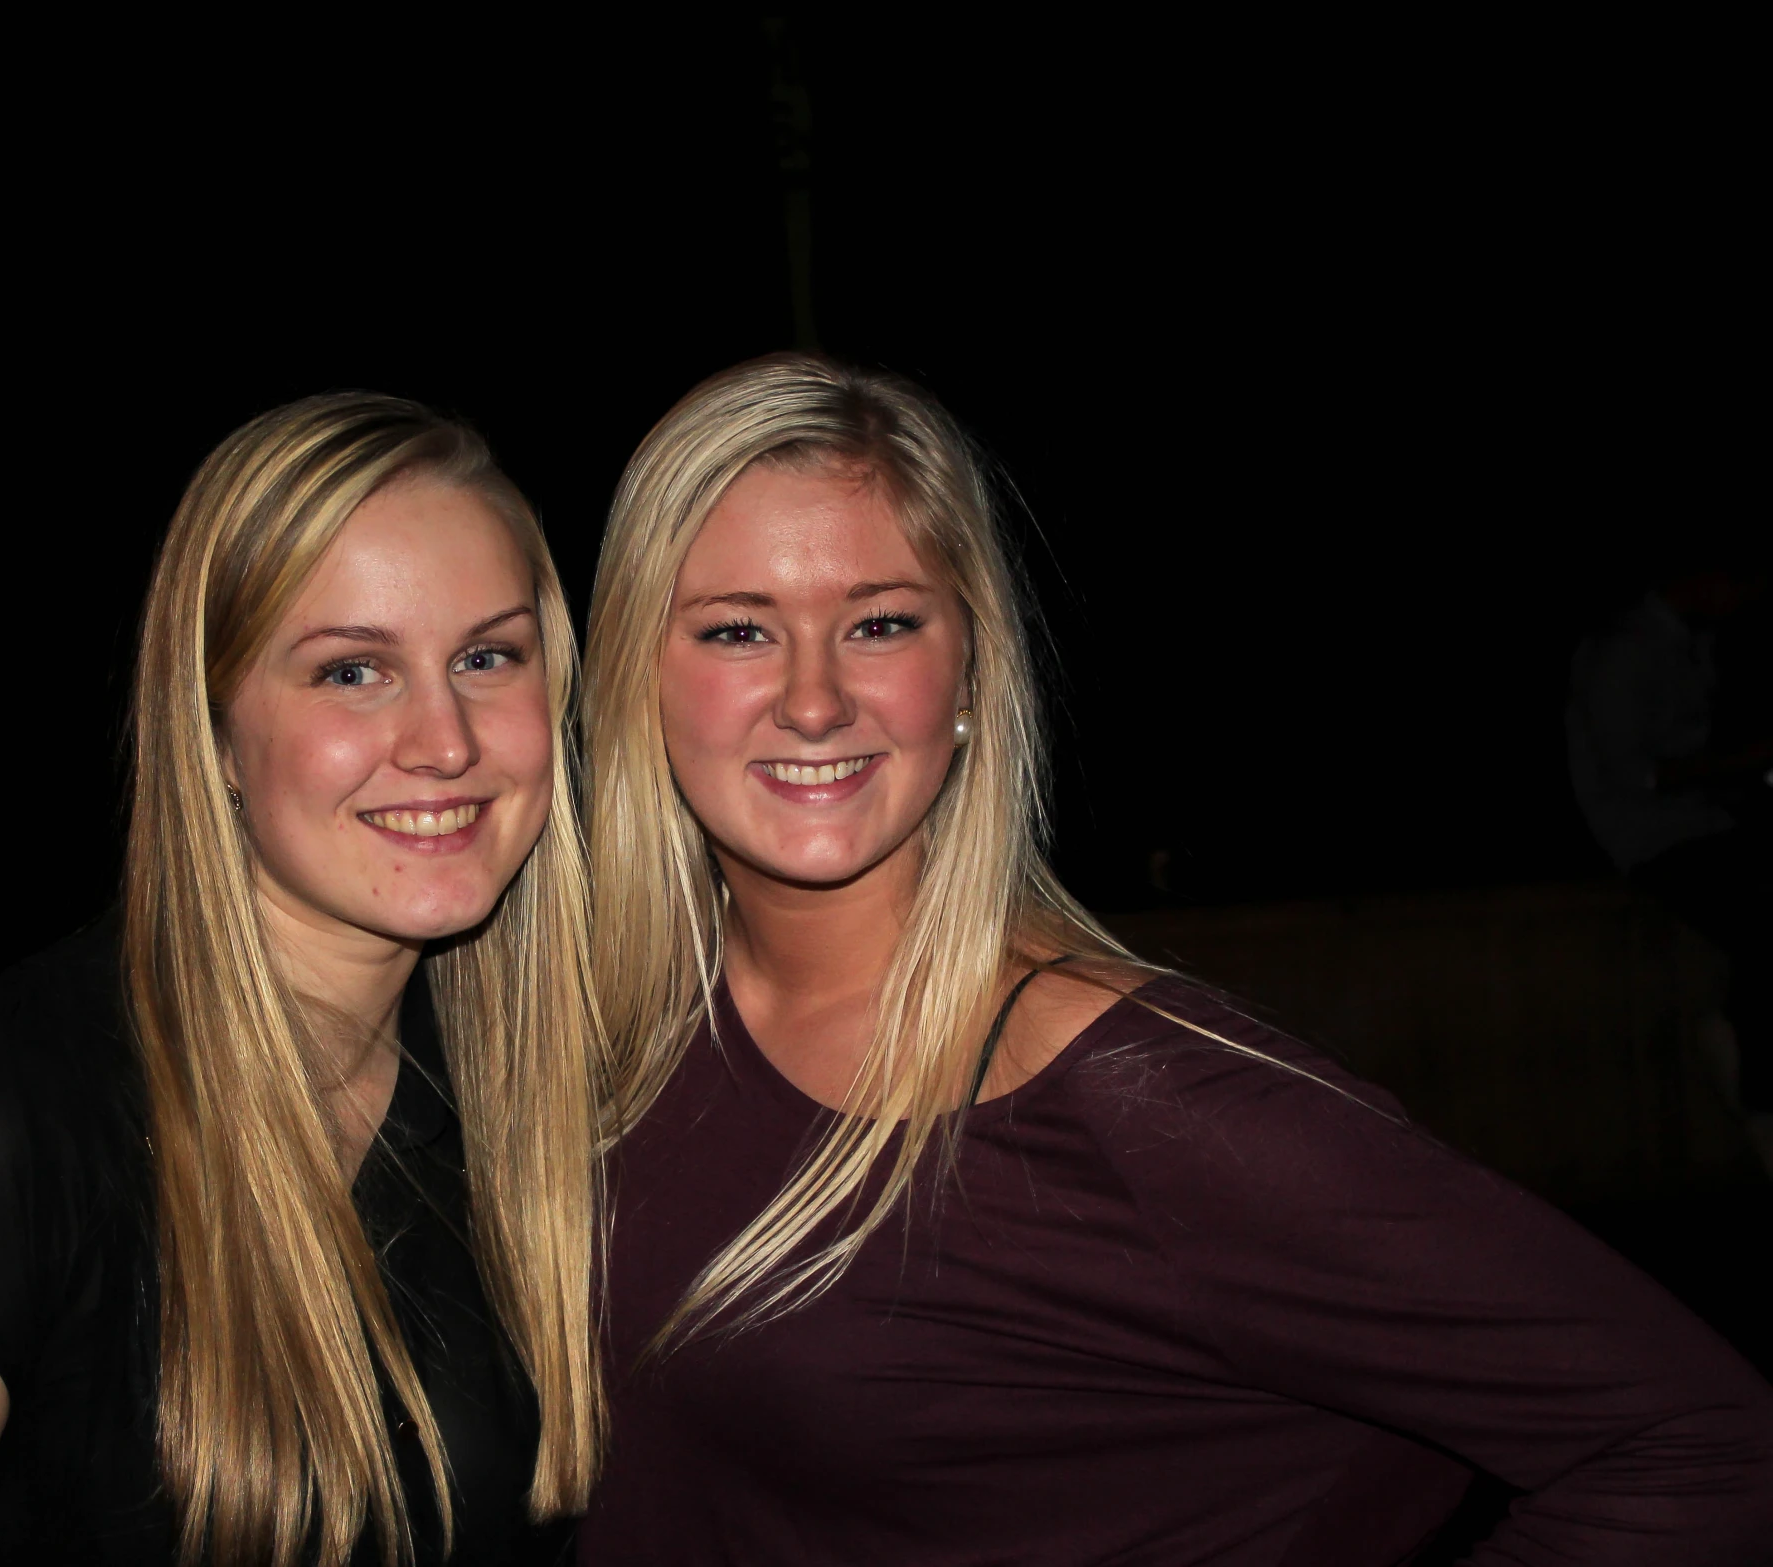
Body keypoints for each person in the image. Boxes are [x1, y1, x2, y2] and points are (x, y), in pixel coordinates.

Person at [572, 354, 1773, 1564]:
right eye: (736, 630)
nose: (815, 699)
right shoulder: (622, 1031)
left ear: (971, 670)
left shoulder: (1143, 1102)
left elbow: (1705, 1442)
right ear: (638, 675)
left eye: (879, 622)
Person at [0, 395, 603, 1566]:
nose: (444, 740)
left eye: (487, 656)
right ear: (216, 729)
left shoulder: (564, 1093)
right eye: (351, 671)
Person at [1569, 555, 1773, 1157]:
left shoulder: (1691, 644)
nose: (1746, 600)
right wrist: (1747, 760)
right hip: (1649, 840)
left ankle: (1737, 1033)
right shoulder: (1625, 648)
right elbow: (1632, 775)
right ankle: (1763, 1100)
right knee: (1764, 917)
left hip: (1706, 825)